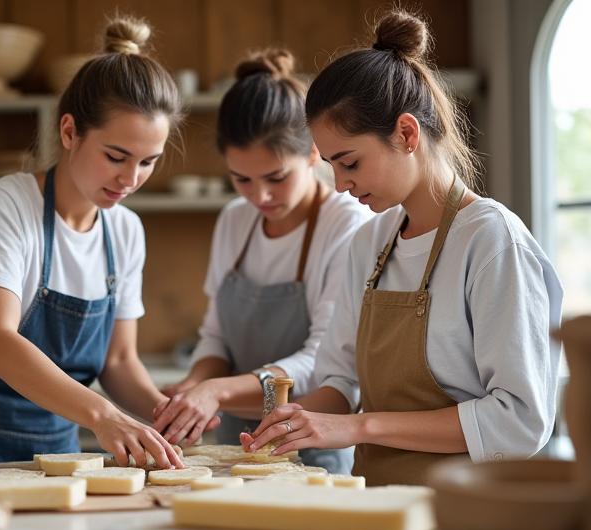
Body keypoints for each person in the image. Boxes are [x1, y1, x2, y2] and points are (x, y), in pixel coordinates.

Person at [240, 10, 564, 487]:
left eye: (349, 162)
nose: (341, 183)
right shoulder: (370, 242)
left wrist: (359, 426)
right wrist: (291, 423)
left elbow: (519, 420)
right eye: (331, 164)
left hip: (469, 523)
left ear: (407, 134)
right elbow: (340, 383)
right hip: (380, 509)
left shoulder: (491, 240)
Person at [0, 15, 184, 469]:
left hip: (57, 448)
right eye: (116, 156)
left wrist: (166, 417)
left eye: (148, 162)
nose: (130, 178)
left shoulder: (124, 231)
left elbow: (118, 361)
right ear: (69, 132)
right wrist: (104, 415)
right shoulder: (4, 205)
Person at [153, 49, 370, 473]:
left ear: (312, 153)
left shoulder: (347, 223)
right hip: (233, 443)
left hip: (311, 447)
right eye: (241, 179)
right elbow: (216, 337)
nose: (260, 197)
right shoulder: (236, 219)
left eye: (276, 178)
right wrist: (193, 387)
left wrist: (217, 390)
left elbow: (320, 363)